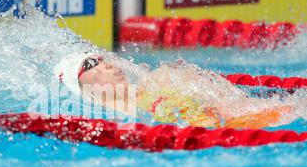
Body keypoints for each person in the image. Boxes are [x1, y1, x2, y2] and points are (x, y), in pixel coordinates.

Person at [53, 51, 296, 129]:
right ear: (82, 86)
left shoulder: (157, 81)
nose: (107, 64)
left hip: (250, 117)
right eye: (92, 64)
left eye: (103, 58)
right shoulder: (118, 119)